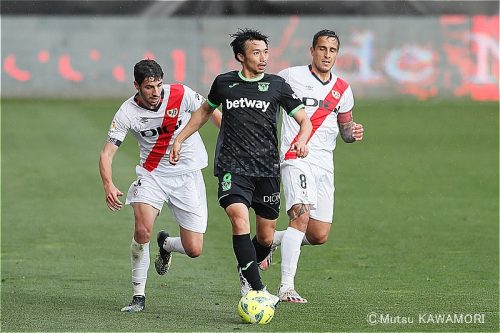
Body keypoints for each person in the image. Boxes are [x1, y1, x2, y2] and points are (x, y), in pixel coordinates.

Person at [169, 28, 312, 305]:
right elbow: (204, 112)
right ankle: (256, 288)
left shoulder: (276, 85)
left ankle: (247, 266)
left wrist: (302, 140)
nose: (263, 58)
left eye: (265, 52)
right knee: (238, 218)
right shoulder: (224, 83)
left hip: (267, 169)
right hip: (232, 167)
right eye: (256, 52)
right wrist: (180, 138)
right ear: (240, 56)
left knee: (266, 236)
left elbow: (304, 120)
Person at [99, 59, 222, 313]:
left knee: (194, 249)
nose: (155, 93)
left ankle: (166, 245)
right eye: (148, 87)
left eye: (157, 85)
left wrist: (234, 136)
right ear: (136, 86)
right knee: (142, 230)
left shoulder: (180, 93)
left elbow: (210, 112)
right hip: (152, 174)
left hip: (187, 175)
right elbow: (107, 153)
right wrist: (108, 184)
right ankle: (138, 296)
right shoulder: (127, 113)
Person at [258, 29, 364, 303]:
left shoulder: (343, 89)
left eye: (332, 50)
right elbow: (265, 102)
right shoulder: (290, 77)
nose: (327, 55)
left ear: (337, 54)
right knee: (301, 217)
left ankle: (270, 241)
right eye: (322, 49)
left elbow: (346, 131)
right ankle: (286, 288)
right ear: (312, 50)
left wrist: (354, 132)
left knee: (318, 235)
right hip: (295, 158)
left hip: (324, 166)